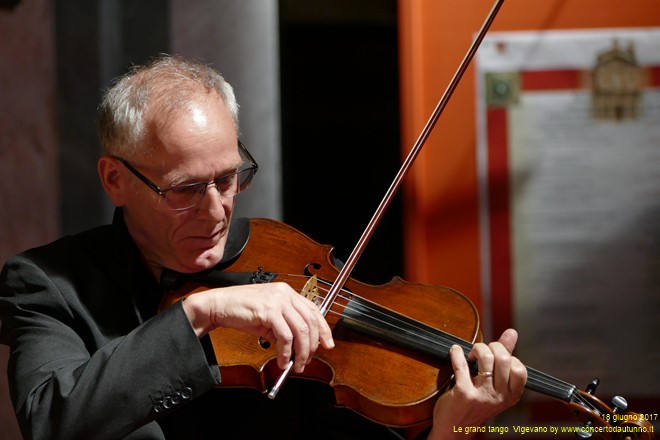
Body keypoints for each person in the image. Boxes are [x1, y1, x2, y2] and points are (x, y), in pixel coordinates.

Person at [0, 54, 526, 440]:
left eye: (228, 179)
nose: (215, 211)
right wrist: (200, 313)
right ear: (115, 179)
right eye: (184, 189)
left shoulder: (284, 260)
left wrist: (451, 432)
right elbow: (52, 421)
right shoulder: (47, 284)